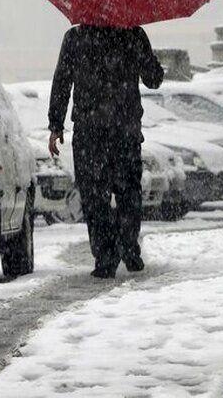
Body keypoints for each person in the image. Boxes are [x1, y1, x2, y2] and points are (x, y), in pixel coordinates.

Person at [48, 24, 164, 278]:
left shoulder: (76, 37)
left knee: (94, 197)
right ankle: (129, 248)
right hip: (125, 131)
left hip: (90, 133)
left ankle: (105, 257)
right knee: (128, 193)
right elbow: (153, 79)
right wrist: (151, 61)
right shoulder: (133, 34)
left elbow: (62, 81)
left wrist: (56, 124)